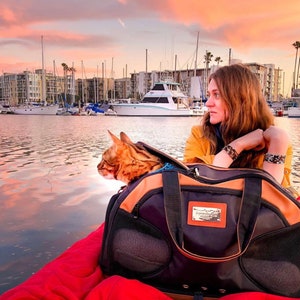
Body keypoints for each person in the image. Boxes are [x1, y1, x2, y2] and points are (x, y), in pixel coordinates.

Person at [184, 63, 299, 198]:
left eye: (217, 95)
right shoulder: (200, 135)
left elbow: (272, 196)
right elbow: (194, 183)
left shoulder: (275, 141)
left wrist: (279, 143)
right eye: (209, 95)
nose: (208, 103)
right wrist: (238, 145)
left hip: (254, 217)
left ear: (240, 98)